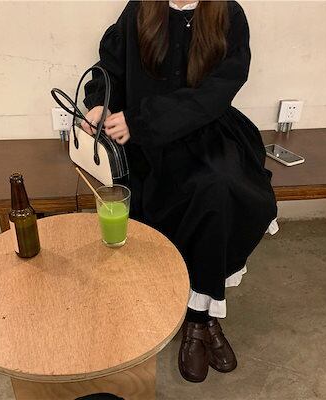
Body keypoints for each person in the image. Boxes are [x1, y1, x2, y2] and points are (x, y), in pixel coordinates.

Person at [81, 0, 279, 383]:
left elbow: (218, 92)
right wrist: (99, 105)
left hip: (205, 132)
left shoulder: (228, 13)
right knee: (149, 197)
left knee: (220, 191)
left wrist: (142, 121)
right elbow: (111, 66)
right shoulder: (141, 8)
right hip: (144, 142)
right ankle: (172, 304)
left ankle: (200, 319)